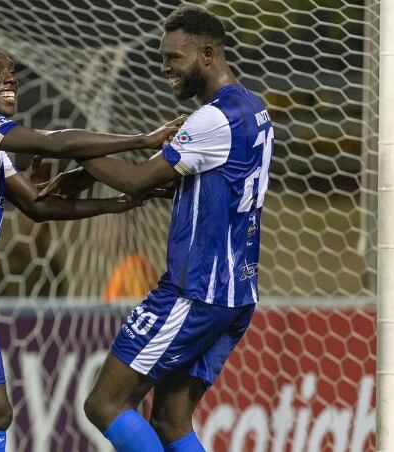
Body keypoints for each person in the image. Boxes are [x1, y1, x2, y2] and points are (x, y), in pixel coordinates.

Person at [0, 41, 182, 452]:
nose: (10, 77)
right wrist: (142, 140)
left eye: (11, 70)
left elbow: (38, 205)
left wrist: (122, 201)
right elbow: (55, 142)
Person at [39, 6, 274, 451]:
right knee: (169, 420)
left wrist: (75, 150)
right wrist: (93, 173)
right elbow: (207, 189)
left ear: (207, 53)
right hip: (237, 293)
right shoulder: (253, 109)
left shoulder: (211, 120)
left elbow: (133, 180)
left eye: (174, 57)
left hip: (195, 290)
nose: (164, 67)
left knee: (104, 404)